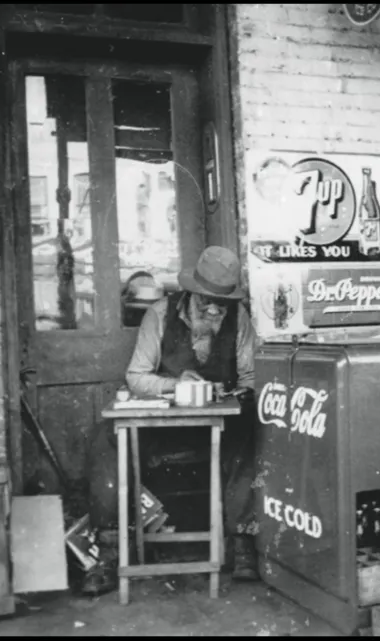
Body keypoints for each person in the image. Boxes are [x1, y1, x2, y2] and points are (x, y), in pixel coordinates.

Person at [81, 246, 260, 596]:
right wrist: (176, 386)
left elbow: (251, 376)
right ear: (192, 293)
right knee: (105, 439)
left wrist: (231, 394)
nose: (212, 310)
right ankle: (108, 551)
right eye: (205, 301)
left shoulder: (239, 320)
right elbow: (136, 376)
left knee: (251, 430)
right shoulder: (159, 315)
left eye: (220, 304)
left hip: (217, 426)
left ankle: (242, 544)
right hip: (165, 429)